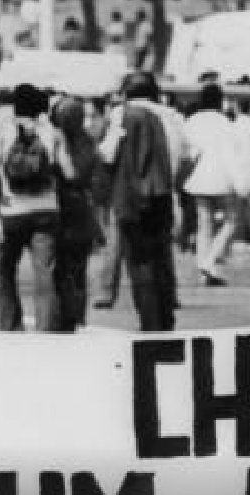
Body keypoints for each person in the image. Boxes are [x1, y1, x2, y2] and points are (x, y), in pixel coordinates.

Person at [98, 71, 179, 331]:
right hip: (163, 194)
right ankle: (165, 320)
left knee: (140, 263)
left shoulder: (122, 115)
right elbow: (189, 155)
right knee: (161, 259)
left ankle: (151, 323)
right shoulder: (168, 117)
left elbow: (108, 154)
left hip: (133, 197)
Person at [0, 85, 64, 331]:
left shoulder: (4, 132)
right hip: (46, 211)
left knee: (4, 270)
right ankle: (46, 330)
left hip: (12, 212)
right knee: (45, 274)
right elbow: (63, 170)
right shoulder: (51, 133)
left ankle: (10, 326)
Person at [182, 84, 245, 286]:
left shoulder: (192, 121)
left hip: (197, 176)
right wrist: (240, 183)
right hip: (221, 176)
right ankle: (210, 260)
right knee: (232, 220)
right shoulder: (225, 122)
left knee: (204, 222)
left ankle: (204, 263)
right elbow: (232, 154)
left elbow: (188, 150)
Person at [50, 95, 101, 331]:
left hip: (69, 211)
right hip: (77, 212)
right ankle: (72, 319)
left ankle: (69, 320)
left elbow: (74, 175)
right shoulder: (88, 141)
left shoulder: (70, 142)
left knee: (68, 271)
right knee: (73, 272)